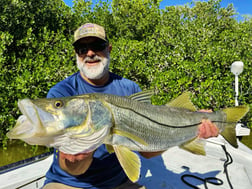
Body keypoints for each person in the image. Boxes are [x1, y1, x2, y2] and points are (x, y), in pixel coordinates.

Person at [42, 23, 218, 189]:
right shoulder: (62, 94)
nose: (90, 53)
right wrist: (77, 157)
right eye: (82, 49)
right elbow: (73, 169)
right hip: (70, 183)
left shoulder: (129, 88)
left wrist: (189, 131)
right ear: (76, 54)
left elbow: (147, 151)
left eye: (97, 45)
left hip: (120, 182)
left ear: (109, 49)